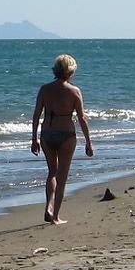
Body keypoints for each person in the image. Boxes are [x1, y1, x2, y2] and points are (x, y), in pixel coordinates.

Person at [31, 54, 93, 224]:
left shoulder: (44, 89)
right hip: (66, 135)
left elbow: (36, 115)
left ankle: (48, 207)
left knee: (52, 172)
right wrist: (88, 142)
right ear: (70, 71)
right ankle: (56, 217)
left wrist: (34, 139)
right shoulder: (74, 91)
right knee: (62, 177)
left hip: (47, 133)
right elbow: (82, 118)